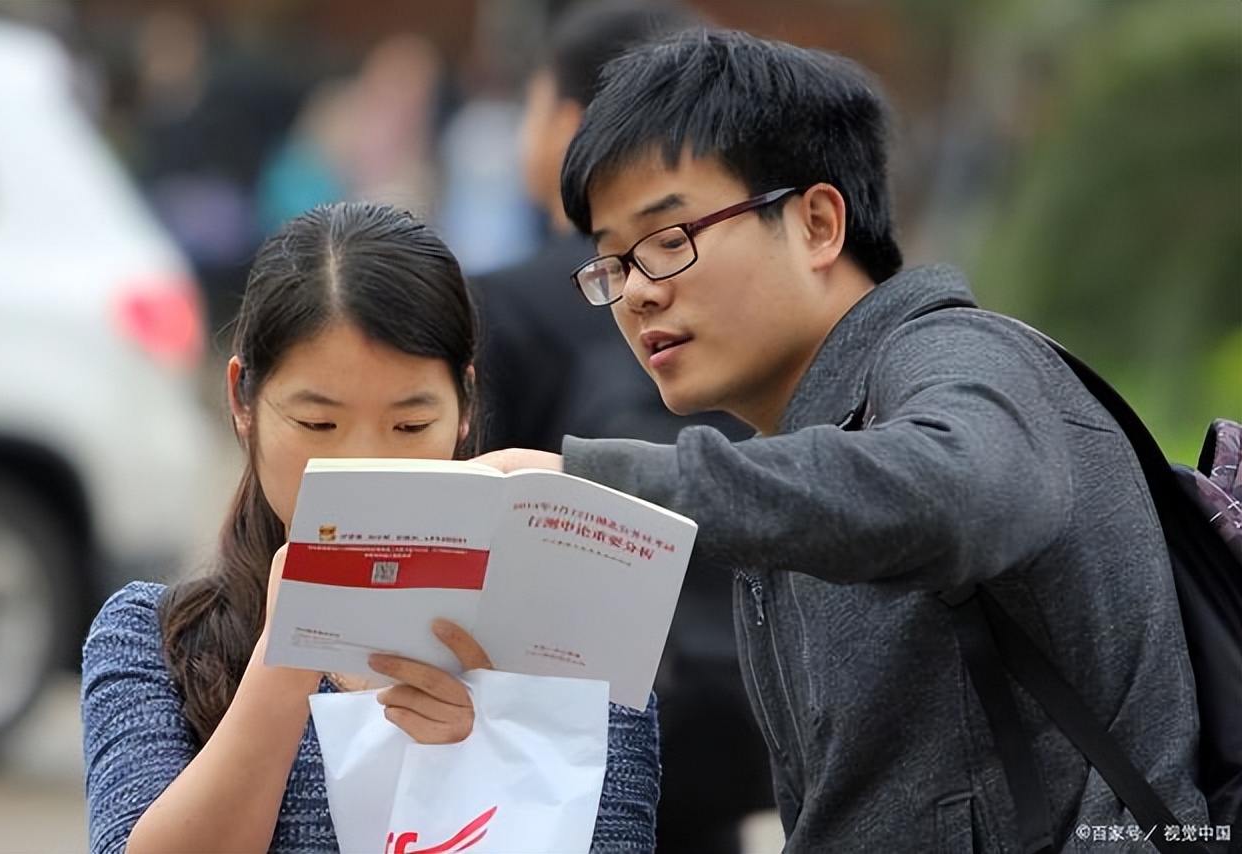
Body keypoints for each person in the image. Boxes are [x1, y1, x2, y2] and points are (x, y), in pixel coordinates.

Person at [473, 29, 1210, 851]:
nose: (637, 294)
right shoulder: (808, 437)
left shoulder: (959, 359)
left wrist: (595, 488)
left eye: (669, 240)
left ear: (819, 223)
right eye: (611, 265)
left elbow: (962, 492)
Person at [80, 202, 659, 853]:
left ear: (464, 408)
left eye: (410, 426)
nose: (365, 466)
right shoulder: (155, 641)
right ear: (245, 401)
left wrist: (500, 748)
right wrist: (287, 658)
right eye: (318, 425)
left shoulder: (570, 651)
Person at [470, 4, 771, 852]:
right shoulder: (733, 298)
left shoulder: (510, 303)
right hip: (735, 710)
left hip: (575, 729)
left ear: (571, 127)